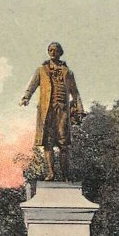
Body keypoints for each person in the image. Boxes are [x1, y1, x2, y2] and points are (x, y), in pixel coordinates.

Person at [20, 42, 84, 181]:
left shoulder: (68, 72)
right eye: (50, 50)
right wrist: (26, 97)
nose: (53, 52)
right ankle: (50, 173)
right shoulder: (41, 70)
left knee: (63, 143)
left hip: (62, 110)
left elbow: (75, 93)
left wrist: (80, 109)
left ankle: (66, 175)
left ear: (61, 52)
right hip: (47, 110)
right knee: (47, 143)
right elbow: (32, 85)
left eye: (55, 50)